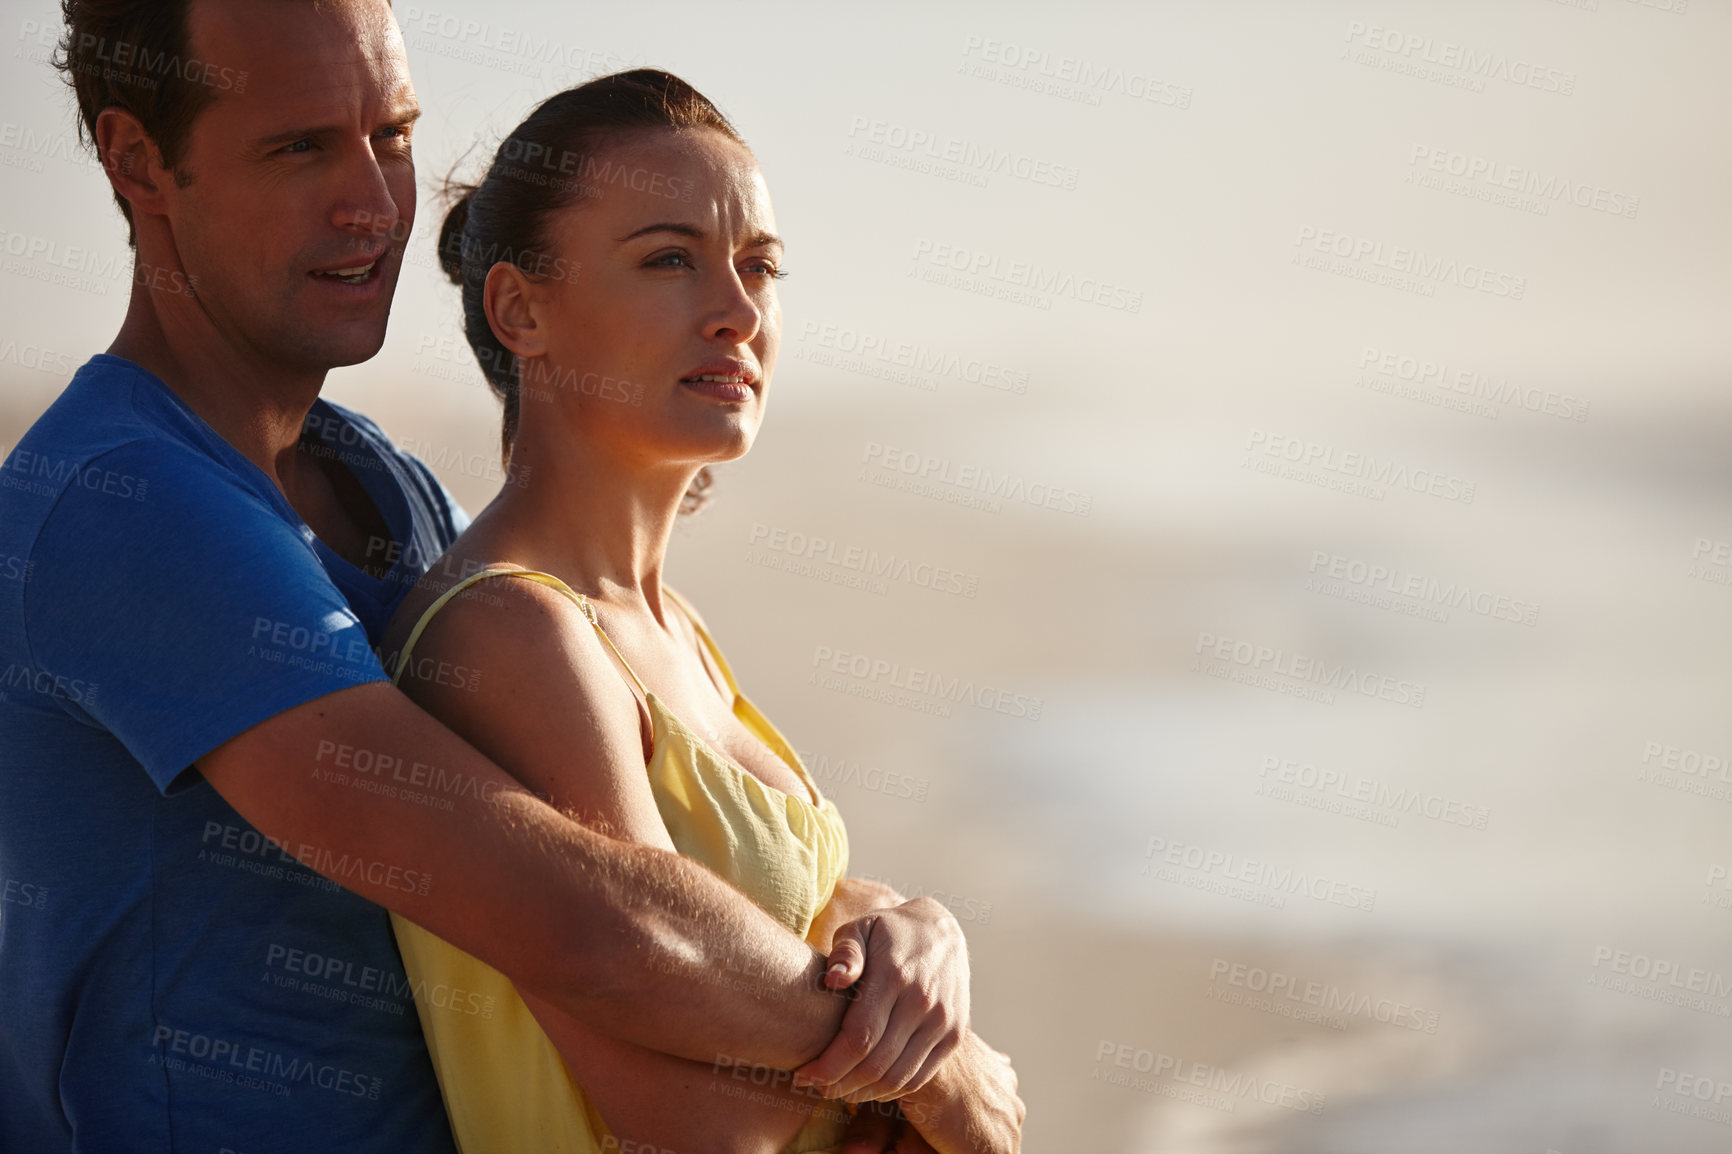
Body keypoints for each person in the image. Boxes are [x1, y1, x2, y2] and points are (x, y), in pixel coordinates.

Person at [0, 3, 1018, 1151]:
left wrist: (892, 921)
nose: (373, 202)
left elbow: (671, 862)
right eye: (300, 146)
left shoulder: (388, 488)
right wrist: (924, 1064)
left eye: (390, 135)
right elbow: (589, 922)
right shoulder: (126, 504)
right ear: (138, 161)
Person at [379, 69, 1021, 1154]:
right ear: (519, 309)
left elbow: (781, 927)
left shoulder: (676, 632)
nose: (736, 310)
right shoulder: (512, 635)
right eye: (669, 259)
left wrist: (917, 925)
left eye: (759, 266)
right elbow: (696, 1122)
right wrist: (932, 1071)